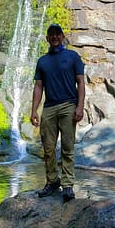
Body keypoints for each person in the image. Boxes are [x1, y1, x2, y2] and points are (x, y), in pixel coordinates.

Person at [30, 23, 85, 202]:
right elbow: (38, 87)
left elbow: (81, 83)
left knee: (68, 147)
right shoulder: (42, 61)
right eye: (51, 34)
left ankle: (67, 185)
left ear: (62, 37)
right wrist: (34, 110)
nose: (54, 37)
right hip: (49, 108)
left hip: (69, 105)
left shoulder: (73, 56)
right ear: (47, 38)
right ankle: (52, 181)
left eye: (57, 34)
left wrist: (80, 106)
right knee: (48, 148)